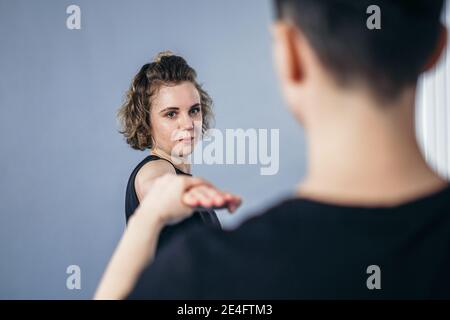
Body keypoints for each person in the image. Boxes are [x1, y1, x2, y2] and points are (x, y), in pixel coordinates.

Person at [98, 0, 450, 299]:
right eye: (171, 114)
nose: (187, 123)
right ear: (437, 47)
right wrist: (157, 204)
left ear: (290, 53)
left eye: (193, 111)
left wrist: (155, 214)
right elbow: (154, 181)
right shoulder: (156, 177)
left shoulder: (211, 268)